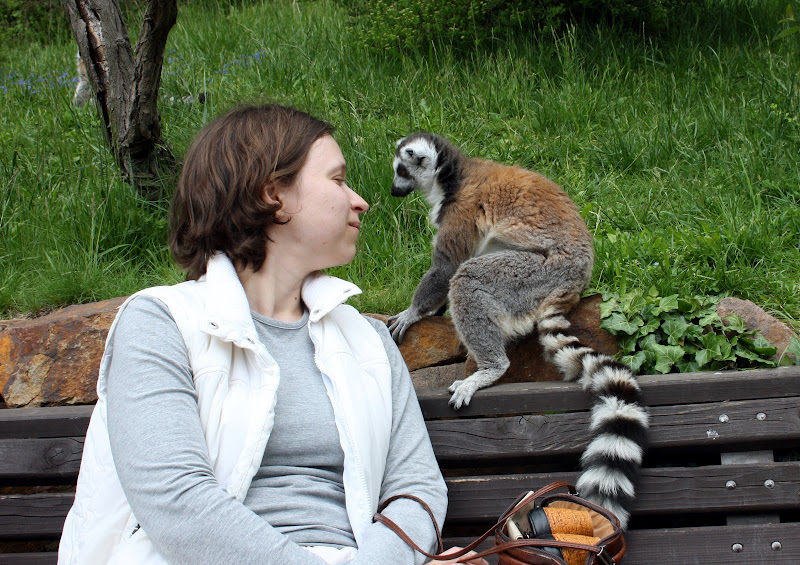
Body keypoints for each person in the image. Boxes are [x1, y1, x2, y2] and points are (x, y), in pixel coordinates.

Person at [57, 104, 487, 565]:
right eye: (338, 180)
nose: (360, 201)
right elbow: (176, 499)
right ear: (272, 195)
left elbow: (417, 488)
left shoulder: (367, 340)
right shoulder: (161, 323)